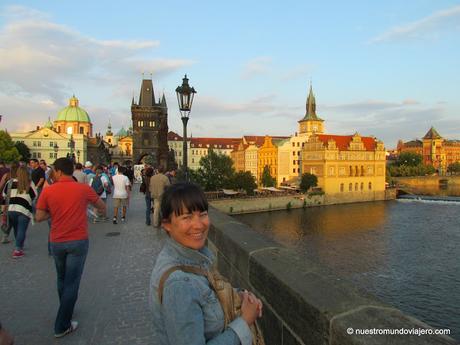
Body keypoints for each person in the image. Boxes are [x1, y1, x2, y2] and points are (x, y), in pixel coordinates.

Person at [149, 183, 263, 344]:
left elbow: (206, 294)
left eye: (202, 214)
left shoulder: (191, 256)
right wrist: (245, 321)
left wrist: (238, 295)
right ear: (167, 224)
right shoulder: (179, 283)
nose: (199, 225)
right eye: (186, 217)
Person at [35, 158, 106, 338]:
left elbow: (39, 217)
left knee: (62, 278)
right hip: (78, 240)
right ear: (71, 171)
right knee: (72, 282)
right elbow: (102, 207)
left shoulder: (49, 191)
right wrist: (84, 208)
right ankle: (62, 324)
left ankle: (65, 310)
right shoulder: (82, 189)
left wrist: (56, 211)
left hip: (57, 241)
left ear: (58, 172)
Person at [2, 166, 36, 258]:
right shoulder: (29, 183)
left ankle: (18, 245)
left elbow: (5, 195)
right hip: (23, 209)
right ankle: (18, 249)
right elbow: (34, 196)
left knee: (16, 228)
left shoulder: (10, 182)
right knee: (22, 229)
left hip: (11, 208)